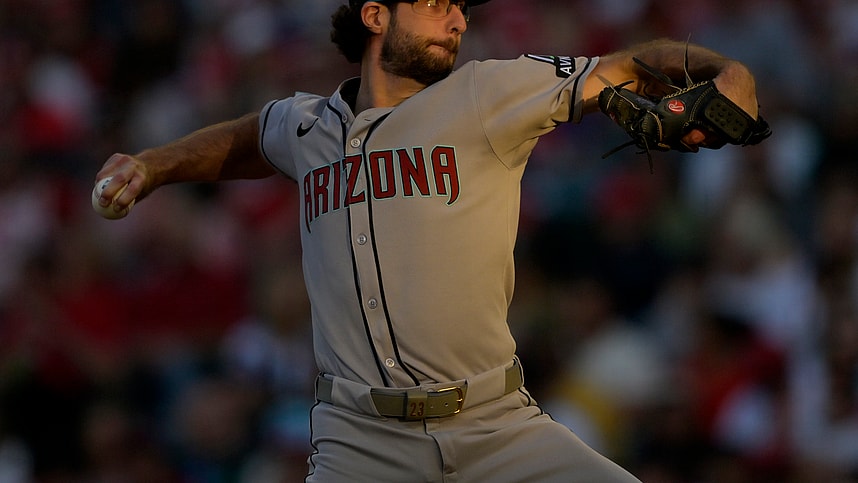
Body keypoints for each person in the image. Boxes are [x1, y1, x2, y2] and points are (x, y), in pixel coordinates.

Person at [95, 1, 765, 481]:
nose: (458, 19)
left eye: (461, 8)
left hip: (497, 426)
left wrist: (726, 71)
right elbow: (247, 139)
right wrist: (154, 164)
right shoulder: (305, 128)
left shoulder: (487, 91)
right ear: (376, 14)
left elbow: (629, 66)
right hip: (358, 443)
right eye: (438, 3)